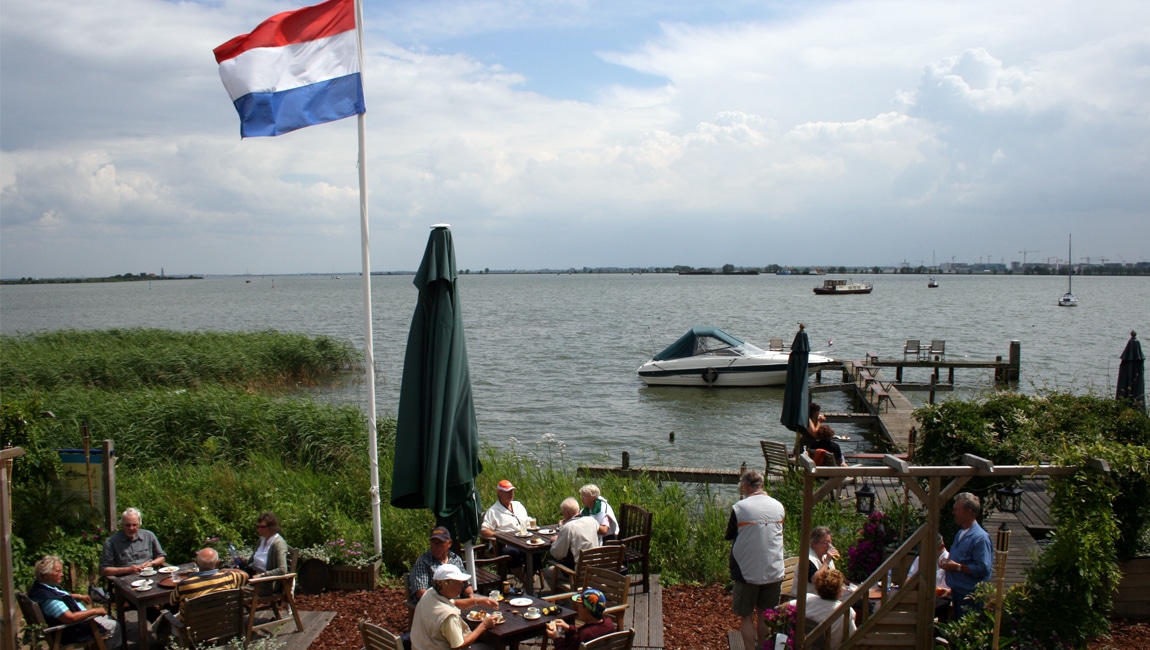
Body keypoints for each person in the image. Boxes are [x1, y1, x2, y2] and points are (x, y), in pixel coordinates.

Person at [725, 470, 785, 650]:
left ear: (745, 486)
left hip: (747, 570)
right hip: (774, 569)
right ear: (762, 485)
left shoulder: (740, 507)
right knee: (765, 615)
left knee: (746, 616)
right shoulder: (778, 506)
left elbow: (729, 535)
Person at [29, 555, 122, 648]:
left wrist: (78, 596)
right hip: (73, 631)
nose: (62, 574)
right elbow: (70, 618)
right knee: (114, 625)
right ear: (46, 575)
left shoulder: (41, 587)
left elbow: (60, 595)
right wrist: (95, 611)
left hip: (77, 625)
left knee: (108, 618)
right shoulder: (50, 600)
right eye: (58, 572)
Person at [411, 564, 499, 650]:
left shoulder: (430, 594)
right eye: (459, 582)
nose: (462, 586)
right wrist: (484, 625)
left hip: (420, 646)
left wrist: (479, 600)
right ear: (445, 584)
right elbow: (459, 645)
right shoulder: (448, 616)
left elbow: (455, 603)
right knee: (492, 646)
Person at [939, 492, 993, 619]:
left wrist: (957, 567)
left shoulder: (980, 538)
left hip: (970, 597)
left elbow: (983, 568)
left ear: (968, 512)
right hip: (956, 593)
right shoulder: (959, 534)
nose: (954, 513)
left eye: (957, 510)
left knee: (967, 635)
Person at [480, 479, 531, 584]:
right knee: (513, 553)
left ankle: (531, 575)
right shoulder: (493, 511)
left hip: (522, 539)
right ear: (500, 493)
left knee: (535, 549)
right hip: (504, 545)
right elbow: (484, 531)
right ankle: (526, 581)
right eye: (507, 492)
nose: (510, 494)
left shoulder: (518, 505)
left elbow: (527, 521)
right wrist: (499, 536)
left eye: (512, 491)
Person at [546, 497, 601, 591]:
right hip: (593, 571)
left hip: (576, 574)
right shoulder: (592, 521)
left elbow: (557, 554)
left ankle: (563, 601)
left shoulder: (568, 527)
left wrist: (556, 541)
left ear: (566, 513)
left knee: (548, 572)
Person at [168, 548, 249, 610]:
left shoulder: (184, 585)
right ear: (217, 563)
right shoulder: (228, 578)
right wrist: (225, 570)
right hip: (224, 625)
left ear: (196, 563)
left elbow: (172, 602)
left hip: (194, 628)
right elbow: (245, 575)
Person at [410, 526, 474, 603]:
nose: (435, 547)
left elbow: (466, 584)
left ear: (449, 543)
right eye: (433, 542)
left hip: (457, 604)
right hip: (434, 605)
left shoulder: (455, 559)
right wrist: (446, 604)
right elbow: (421, 592)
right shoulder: (424, 561)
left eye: (440, 543)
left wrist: (471, 596)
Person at [99, 507, 166, 577]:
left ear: (139, 524)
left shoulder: (149, 536)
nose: (131, 528)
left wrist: (152, 563)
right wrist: (128, 570)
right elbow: (103, 570)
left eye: (134, 525)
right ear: (122, 524)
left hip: (149, 576)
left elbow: (162, 557)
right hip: (126, 581)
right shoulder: (111, 542)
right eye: (128, 525)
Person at [545, 588, 616, 650]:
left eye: (579, 605)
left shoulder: (581, 637)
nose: (577, 608)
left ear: (587, 610)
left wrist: (556, 638)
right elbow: (591, 631)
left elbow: (584, 634)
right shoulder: (609, 623)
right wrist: (569, 628)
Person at [804, 568, 857, 647]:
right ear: (839, 590)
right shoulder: (846, 611)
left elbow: (783, 607)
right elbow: (853, 638)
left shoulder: (808, 599)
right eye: (842, 585)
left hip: (807, 645)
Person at [793, 526, 850, 597]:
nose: (829, 546)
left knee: (856, 595)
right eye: (826, 543)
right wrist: (827, 561)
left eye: (830, 542)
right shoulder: (807, 559)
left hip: (826, 595)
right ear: (814, 543)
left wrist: (849, 584)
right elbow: (815, 580)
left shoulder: (825, 556)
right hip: (808, 598)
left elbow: (833, 575)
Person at [908, 534, 952, 620]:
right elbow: (909, 580)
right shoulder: (921, 559)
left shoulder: (951, 561)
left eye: (931, 549)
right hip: (923, 596)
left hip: (942, 599)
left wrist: (949, 591)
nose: (928, 552)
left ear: (941, 547)